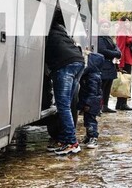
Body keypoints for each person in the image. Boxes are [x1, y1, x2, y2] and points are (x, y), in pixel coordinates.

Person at [45, 8, 85, 155]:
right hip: (77, 61)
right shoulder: (60, 29)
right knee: (66, 105)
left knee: (63, 106)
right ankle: (63, 138)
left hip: (65, 65)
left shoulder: (45, 28)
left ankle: (71, 143)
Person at [78, 52, 103, 149]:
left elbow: (93, 93)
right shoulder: (91, 75)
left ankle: (93, 137)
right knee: (87, 119)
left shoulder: (93, 77)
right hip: (90, 102)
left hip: (92, 103)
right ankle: (89, 136)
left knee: (91, 120)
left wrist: (88, 104)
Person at [98, 20, 121, 113]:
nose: (106, 28)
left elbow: (116, 48)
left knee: (108, 86)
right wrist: (116, 53)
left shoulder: (108, 38)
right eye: (104, 26)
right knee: (102, 86)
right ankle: (99, 106)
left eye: (107, 26)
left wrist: (117, 53)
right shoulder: (99, 38)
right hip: (103, 64)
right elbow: (103, 50)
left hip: (110, 64)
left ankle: (105, 105)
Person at [115, 17, 132, 110]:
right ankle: (122, 103)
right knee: (124, 82)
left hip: (129, 59)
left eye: (128, 22)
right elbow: (120, 48)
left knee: (125, 81)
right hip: (124, 60)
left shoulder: (129, 32)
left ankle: (121, 103)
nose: (127, 24)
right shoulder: (122, 33)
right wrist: (120, 64)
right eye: (125, 22)